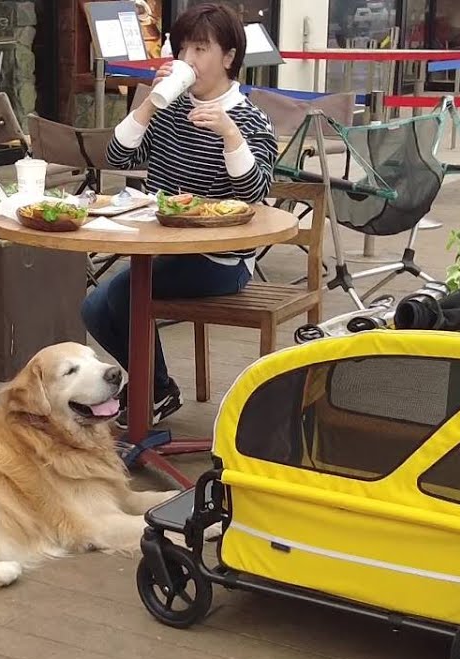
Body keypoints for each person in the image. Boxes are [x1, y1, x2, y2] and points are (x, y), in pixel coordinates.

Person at [82, 2, 278, 428]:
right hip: (161, 244)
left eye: (201, 49)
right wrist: (151, 104)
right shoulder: (171, 110)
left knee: (120, 295)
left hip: (223, 259)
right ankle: (157, 388)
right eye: (183, 48)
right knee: (93, 308)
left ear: (228, 57)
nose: (189, 60)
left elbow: (255, 192)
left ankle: (150, 393)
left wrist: (229, 134)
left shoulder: (250, 119)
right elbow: (116, 155)